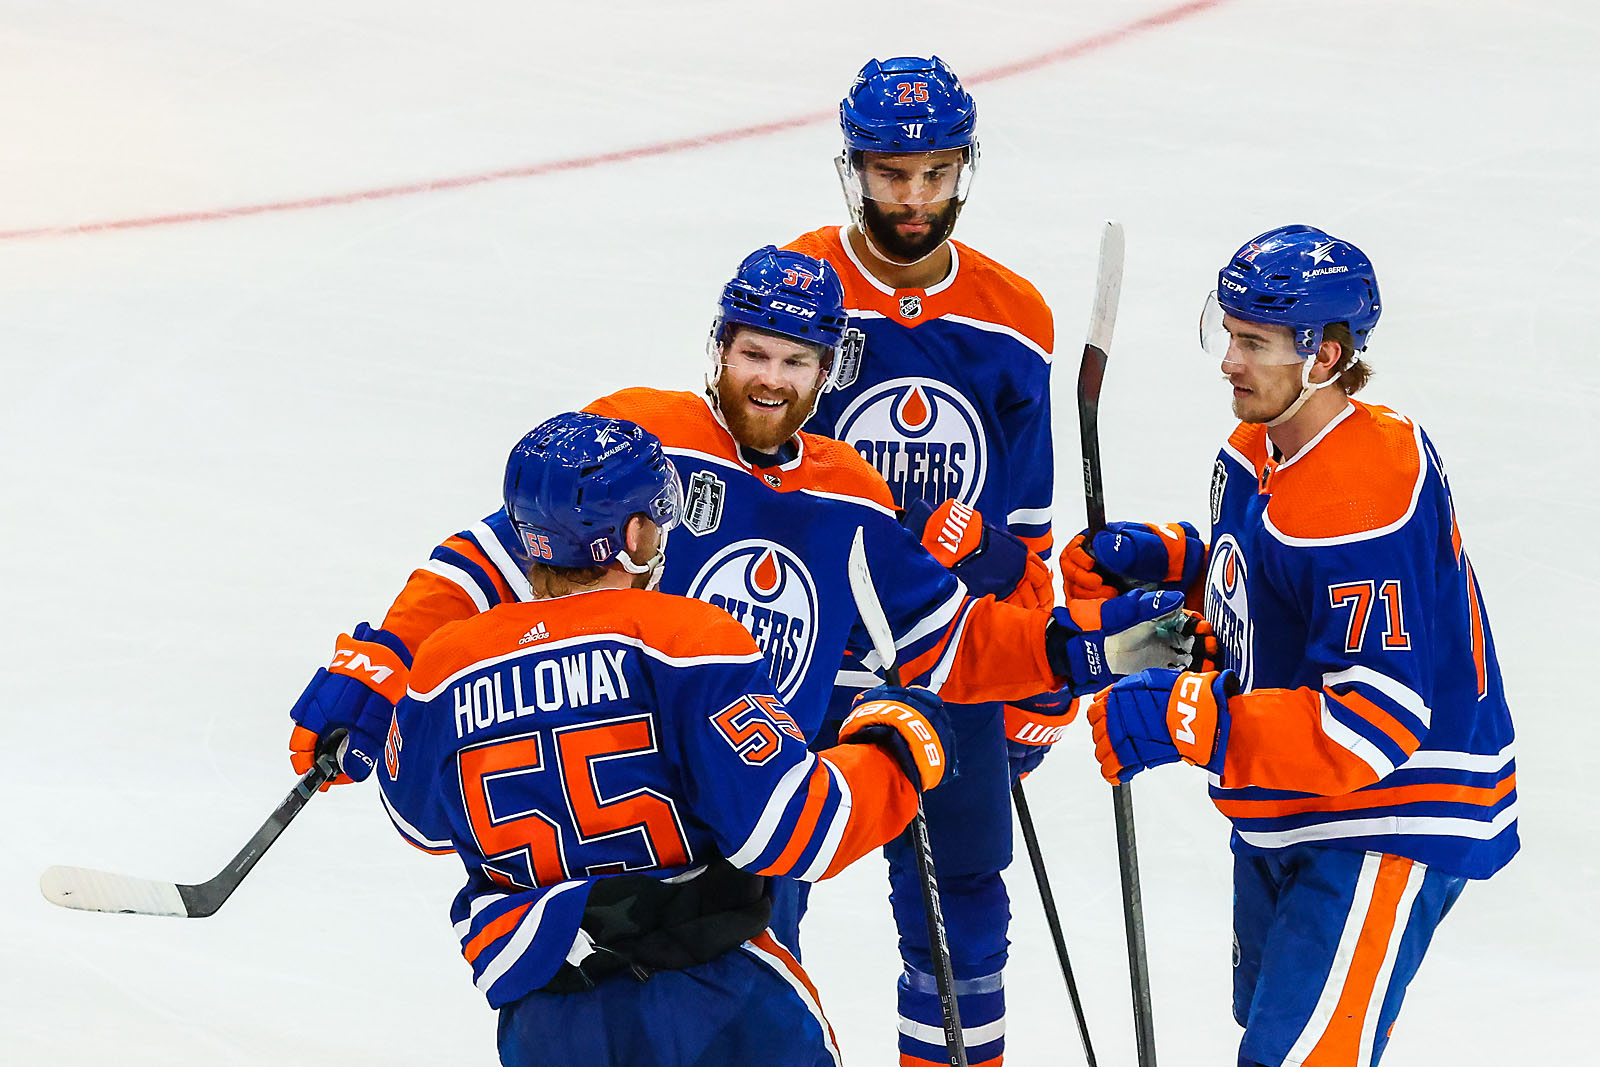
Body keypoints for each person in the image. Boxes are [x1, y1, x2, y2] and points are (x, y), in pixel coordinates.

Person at [288, 247, 1201, 955]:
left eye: (796, 360)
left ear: (827, 369)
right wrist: (383, 661)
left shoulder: (848, 493)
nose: (771, 378)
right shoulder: (645, 436)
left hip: (754, 800)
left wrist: (1091, 648)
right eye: (754, 352)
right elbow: (495, 552)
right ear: (719, 348)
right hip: (627, 819)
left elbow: (953, 640)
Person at [1064, 225, 1518, 1067]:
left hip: (1388, 811)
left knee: (1297, 1056)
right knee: (1270, 1027)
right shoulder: (1256, 448)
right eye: (1229, 334)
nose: (1229, 362)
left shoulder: (1361, 496)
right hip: (1295, 795)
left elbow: (1373, 723)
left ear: (1325, 356)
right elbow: (1257, 599)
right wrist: (1160, 579)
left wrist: (1183, 720)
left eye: (1255, 343)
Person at [376, 410, 957, 1067]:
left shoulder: (443, 667)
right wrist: (893, 751)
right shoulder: (685, 640)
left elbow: (419, 822)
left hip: (547, 1022)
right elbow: (794, 825)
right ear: (632, 536)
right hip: (714, 1003)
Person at [783, 56, 1060, 1066]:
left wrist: (1031, 668)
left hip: (949, 661)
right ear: (854, 168)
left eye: (935, 173)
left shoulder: (1011, 318)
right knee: (754, 908)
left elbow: (1024, 528)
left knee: (963, 924)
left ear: (962, 169)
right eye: (892, 174)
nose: (913, 198)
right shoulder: (795, 288)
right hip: (802, 656)